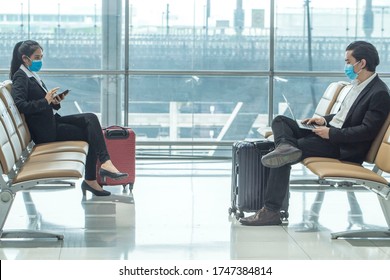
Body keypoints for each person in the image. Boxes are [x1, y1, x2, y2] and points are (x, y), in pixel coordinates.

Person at [240, 40, 390, 226]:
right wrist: (325, 120)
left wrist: (331, 134)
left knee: (285, 154)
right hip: (330, 134)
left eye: (348, 62)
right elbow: (348, 115)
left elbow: (367, 131)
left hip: (343, 146)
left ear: (362, 63)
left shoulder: (379, 93)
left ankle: (271, 211)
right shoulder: (357, 85)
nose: (346, 66)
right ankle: (285, 146)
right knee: (281, 121)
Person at [10, 40, 128, 197]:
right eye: (37, 57)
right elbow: (20, 105)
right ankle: (93, 177)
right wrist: (45, 101)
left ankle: (104, 165)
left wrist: (54, 102)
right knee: (90, 133)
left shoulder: (31, 75)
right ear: (25, 59)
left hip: (51, 122)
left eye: (41, 57)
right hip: (46, 132)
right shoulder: (21, 76)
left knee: (90, 119)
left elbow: (39, 103)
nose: (40, 61)